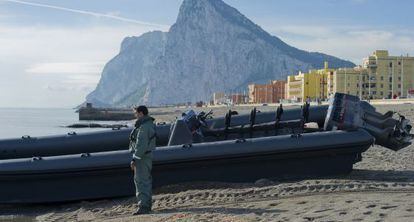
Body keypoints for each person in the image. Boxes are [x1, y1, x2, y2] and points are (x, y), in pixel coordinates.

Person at [129, 105, 156, 215]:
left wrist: (135, 158)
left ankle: (143, 207)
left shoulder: (144, 127)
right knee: (145, 181)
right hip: (146, 156)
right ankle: (146, 205)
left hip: (142, 157)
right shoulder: (149, 124)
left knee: (141, 181)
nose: (135, 115)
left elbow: (141, 145)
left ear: (140, 113)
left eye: (136, 113)